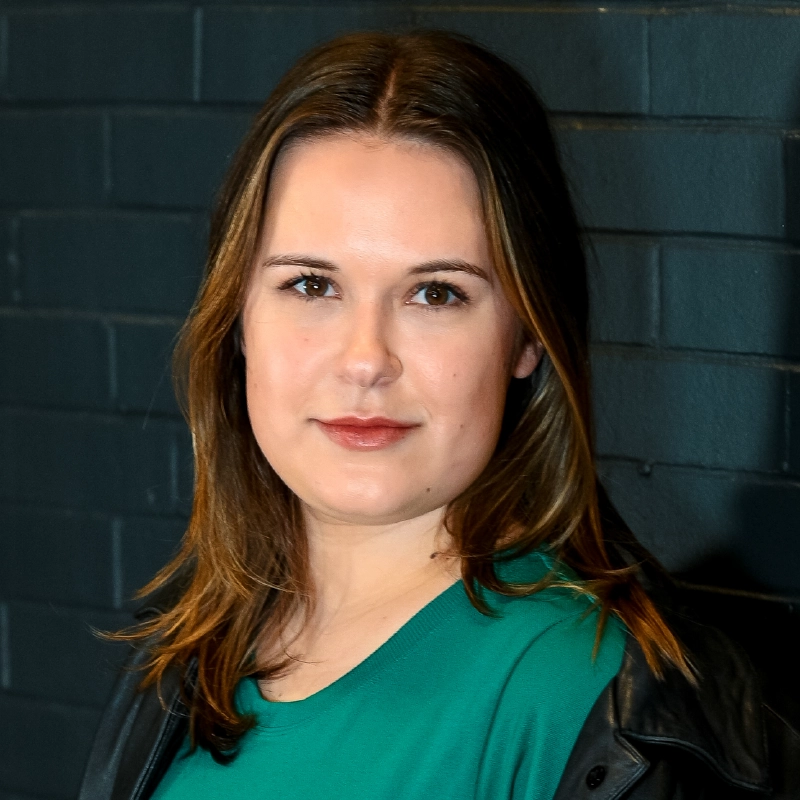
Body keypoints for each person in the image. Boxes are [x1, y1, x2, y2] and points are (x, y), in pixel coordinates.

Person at [78, 29, 798, 800]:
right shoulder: (190, 652)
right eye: (312, 285)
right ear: (238, 317)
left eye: (436, 293)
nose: (365, 359)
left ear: (527, 334)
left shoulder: (569, 692)